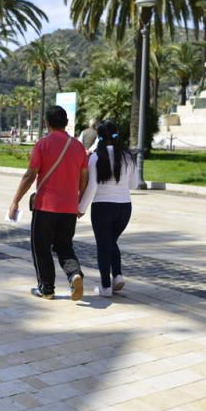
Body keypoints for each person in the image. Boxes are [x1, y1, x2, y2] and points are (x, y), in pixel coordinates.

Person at [8, 105, 88, 300]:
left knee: (41, 247)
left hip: (45, 206)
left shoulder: (42, 144)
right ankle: (74, 274)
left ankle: (47, 288)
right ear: (66, 123)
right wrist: (79, 201)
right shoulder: (78, 147)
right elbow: (84, 177)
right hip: (69, 208)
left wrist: (15, 201)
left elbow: (30, 175)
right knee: (64, 246)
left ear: (47, 123)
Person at [78, 120, 139, 297]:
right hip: (125, 208)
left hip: (103, 207)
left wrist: (81, 208)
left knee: (103, 246)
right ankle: (117, 275)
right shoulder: (128, 156)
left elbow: (92, 187)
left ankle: (105, 287)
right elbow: (134, 184)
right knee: (111, 242)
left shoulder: (97, 157)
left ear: (99, 137)